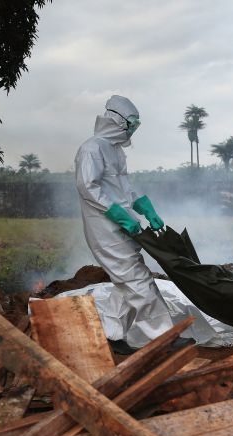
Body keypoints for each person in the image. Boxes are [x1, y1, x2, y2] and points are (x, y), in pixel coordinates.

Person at [74, 95, 174, 352]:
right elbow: (88, 187)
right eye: (131, 123)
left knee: (125, 283)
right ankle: (163, 338)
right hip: (105, 228)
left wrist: (144, 207)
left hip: (124, 225)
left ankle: (112, 335)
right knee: (138, 279)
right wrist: (119, 215)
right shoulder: (91, 149)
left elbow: (125, 188)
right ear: (116, 120)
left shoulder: (116, 151)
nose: (133, 129)